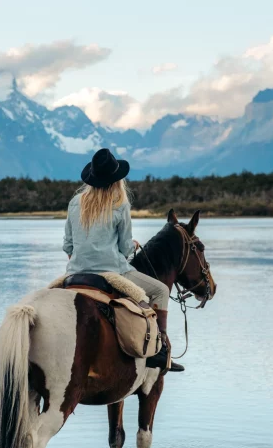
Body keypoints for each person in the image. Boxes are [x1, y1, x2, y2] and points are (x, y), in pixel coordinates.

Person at [63, 148, 183, 372]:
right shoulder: (120, 203)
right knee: (160, 291)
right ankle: (160, 351)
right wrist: (134, 246)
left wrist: (82, 261)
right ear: (116, 180)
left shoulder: (75, 202)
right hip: (112, 272)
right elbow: (125, 248)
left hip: (75, 273)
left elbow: (68, 245)